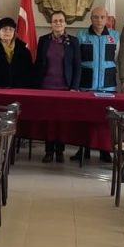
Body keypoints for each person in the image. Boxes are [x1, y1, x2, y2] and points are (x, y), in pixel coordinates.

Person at [73, 6, 119, 162]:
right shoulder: (81, 35)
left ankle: (104, 151)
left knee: (105, 122)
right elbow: (77, 60)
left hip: (107, 86)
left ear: (107, 19)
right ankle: (82, 149)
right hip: (86, 85)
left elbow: (117, 59)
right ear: (91, 18)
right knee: (84, 120)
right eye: (96, 17)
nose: (99, 20)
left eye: (102, 17)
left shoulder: (114, 36)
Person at [34, 10, 80, 162]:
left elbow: (77, 66)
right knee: (48, 121)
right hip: (46, 87)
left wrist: (74, 87)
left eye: (61, 20)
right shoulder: (43, 40)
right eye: (55, 21)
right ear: (51, 23)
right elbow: (38, 63)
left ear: (65, 23)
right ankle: (48, 151)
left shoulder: (73, 41)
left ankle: (60, 151)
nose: (58, 23)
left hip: (65, 88)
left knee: (62, 122)